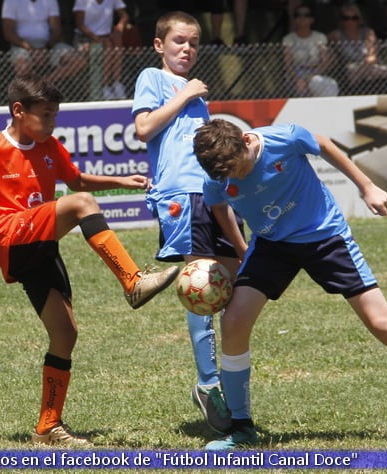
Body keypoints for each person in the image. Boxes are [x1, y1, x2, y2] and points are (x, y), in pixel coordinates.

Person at [0, 74, 179, 446]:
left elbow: (77, 182)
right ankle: (133, 281)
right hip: (6, 234)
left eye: (55, 116)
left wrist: (123, 182)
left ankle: (48, 426)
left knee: (65, 334)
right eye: (46, 116)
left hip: (37, 242)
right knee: (82, 207)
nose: (52, 124)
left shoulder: (50, 146)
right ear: (19, 111)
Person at [191, 118, 387, 450]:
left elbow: (323, 144)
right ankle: (241, 428)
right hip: (271, 245)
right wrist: (241, 249)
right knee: (235, 322)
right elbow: (218, 206)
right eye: (228, 175)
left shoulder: (283, 139)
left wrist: (366, 186)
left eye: (239, 168)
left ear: (246, 143)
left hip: (325, 237)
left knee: (382, 323)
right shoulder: (217, 174)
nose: (236, 177)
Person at [132, 10, 244, 436]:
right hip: (181, 195)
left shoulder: (198, 97)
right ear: (160, 45)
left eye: (194, 43)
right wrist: (183, 95)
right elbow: (144, 128)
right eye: (179, 41)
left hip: (213, 193)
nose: (187, 49)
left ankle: (230, 383)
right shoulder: (154, 79)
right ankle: (209, 383)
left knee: (234, 279)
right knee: (200, 283)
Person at [2, 0, 87, 85]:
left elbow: (56, 30)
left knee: (78, 61)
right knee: (22, 65)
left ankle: (44, 82)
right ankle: (29, 93)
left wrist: (46, 48)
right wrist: (31, 49)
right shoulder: (11, 1)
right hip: (21, 45)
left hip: (48, 44)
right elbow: (8, 32)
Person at [327, 3, 387, 94]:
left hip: (369, 64)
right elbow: (324, 43)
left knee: (384, 71)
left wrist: (366, 63)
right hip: (350, 67)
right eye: (346, 18)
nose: (350, 22)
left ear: (359, 19)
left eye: (354, 18)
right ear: (341, 20)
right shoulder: (336, 35)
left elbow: (372, 55)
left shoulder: (368, 32)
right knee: (353, 72)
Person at [72, 0, 129, 99]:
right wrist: (97, 39)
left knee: (117, 44)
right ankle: (105, 85)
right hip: (86, 38)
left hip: (106, 38)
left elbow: (124, 16)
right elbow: (80, 24)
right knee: (107, 46)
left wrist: (120, 26)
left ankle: (116, 83)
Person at [282, 4, 339, 97]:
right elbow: (287, 64)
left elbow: (325, 61)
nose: (302, 18)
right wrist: (297, 80)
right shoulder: (288, 39)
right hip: (296, 74)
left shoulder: (320, 37)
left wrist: (312, 76)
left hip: (315, 72)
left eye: (306, 15)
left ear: (311, 19)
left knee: (331, 84)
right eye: (298, 15)